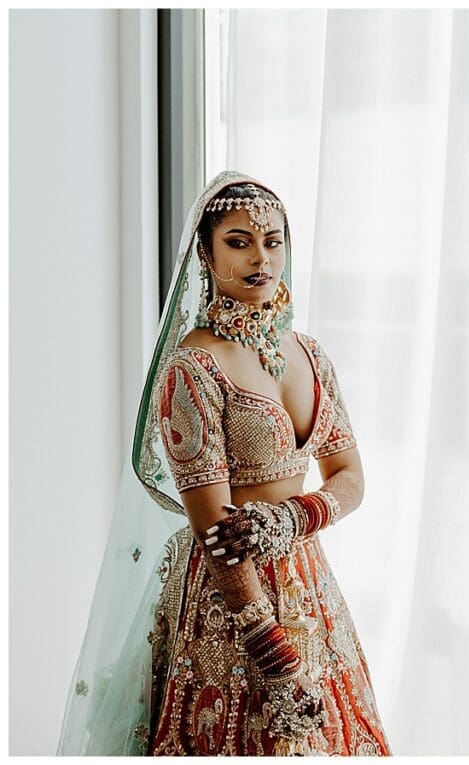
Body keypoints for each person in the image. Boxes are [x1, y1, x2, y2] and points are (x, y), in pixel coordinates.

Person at [58, 171, 389, 756]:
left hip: (307, 583)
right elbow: (215, 530)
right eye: (238, 241)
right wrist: (269, 647)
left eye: (273, 240)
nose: (261, 258)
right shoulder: (193, 367)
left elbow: (352, 479)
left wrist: (291, 520)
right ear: (206, 255)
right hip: (226, 602)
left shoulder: (310, 353)